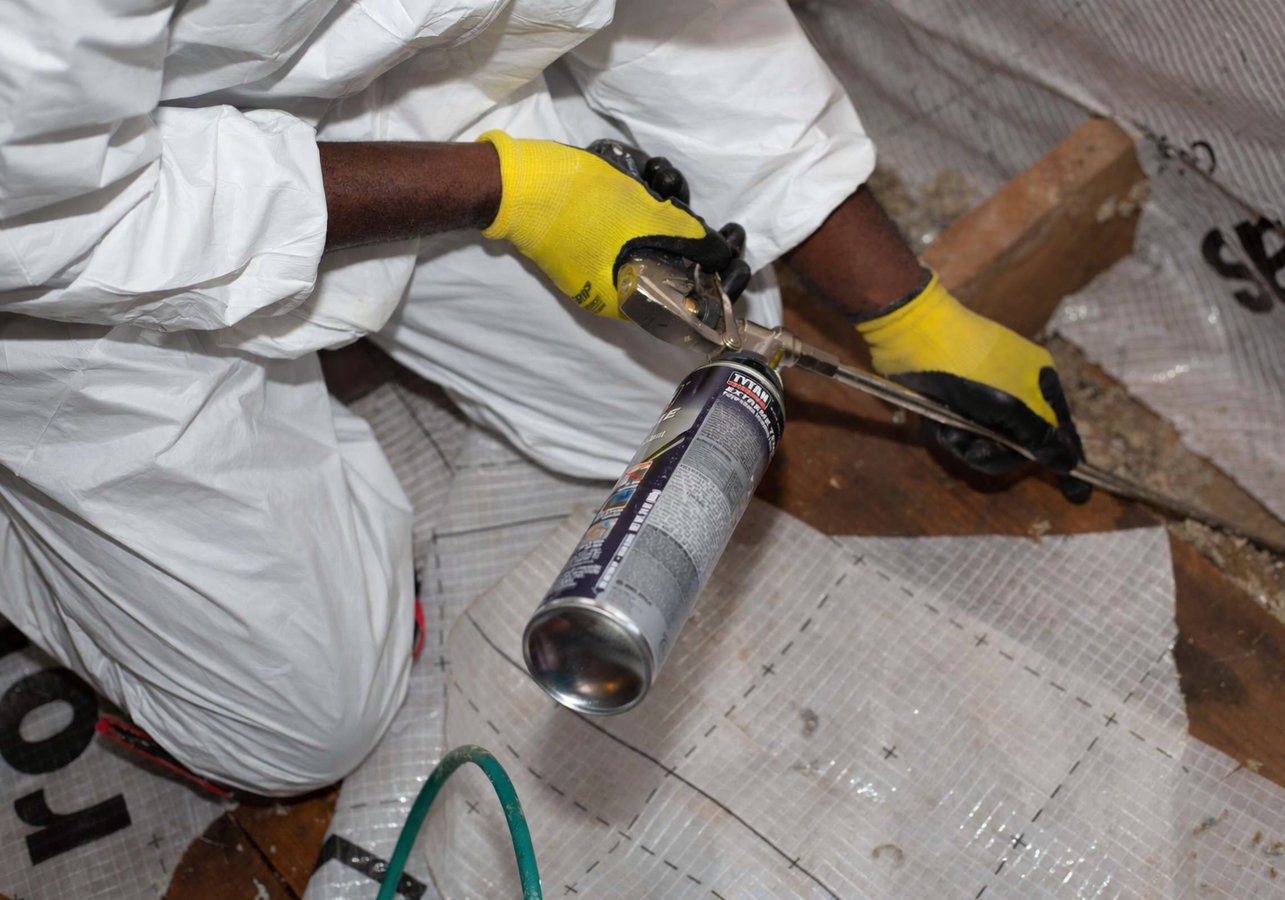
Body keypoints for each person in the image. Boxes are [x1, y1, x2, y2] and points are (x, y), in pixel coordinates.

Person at [0, 0, 1086, 795]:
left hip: (376, 103)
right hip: (61, 258)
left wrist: (906, 314)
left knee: (681, 400)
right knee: (301, 723)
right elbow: (51, 212)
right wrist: (504, 191)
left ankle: (351, 314)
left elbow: (684, 18)